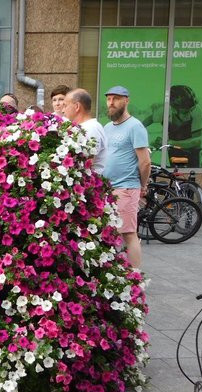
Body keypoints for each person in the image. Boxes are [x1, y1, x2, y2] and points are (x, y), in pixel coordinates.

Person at [103, 86, 151, 269]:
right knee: (109, 232)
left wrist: (143, 185)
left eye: (116, 98)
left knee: (128, 233)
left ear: (126, 100)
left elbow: (145, 162)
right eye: (108, 99)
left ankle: (135, 277)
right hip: (107, 189)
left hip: (127, 187)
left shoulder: (135, 126)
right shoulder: (107, 127)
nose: (111, 102)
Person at [63, 88, 107, 174]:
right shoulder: (83, 127)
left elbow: (88, 163)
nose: (63, 110)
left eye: (65, 106)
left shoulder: (91, 128)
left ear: (77, 106)